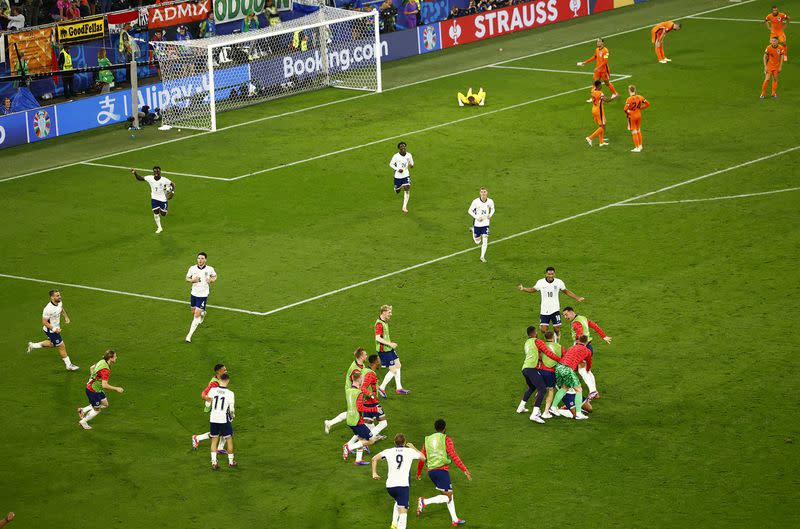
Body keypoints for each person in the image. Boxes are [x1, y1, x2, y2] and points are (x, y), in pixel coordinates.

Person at [416, 419, 470, 526]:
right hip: (441, 471)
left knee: (449, 494)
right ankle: (424, 502)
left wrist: (418, 473)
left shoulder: (427, 440)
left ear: (435, 428)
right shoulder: (446, 439)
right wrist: (464, 469)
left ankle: (455, 520)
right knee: (448, 497)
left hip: (431, 472)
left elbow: (422, 458)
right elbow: (454, 455)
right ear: (445, 428)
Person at [372, 433, 425, 529]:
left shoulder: (388, 451)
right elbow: (423, 458)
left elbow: (374, 459)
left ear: (394, 442)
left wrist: (374, 473)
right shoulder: (409, 452)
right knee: (404, 511)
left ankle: (394, 524)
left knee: (398, 502)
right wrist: (413, 448)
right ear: (405, 442)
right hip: (402, 485)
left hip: (390, 486)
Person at [516, 266, 585, 340]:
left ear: (554, 274)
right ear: (546, 274)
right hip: (544, 310)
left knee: (556, 329)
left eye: (552, 274)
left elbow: (566, 291)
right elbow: (533, 289)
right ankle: (552, 337)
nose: (550, 276)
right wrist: (523, 289)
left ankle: (556, 338)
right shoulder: (540, 282)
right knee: (543, 330)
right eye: (549, 274)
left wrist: (577, 298)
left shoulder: (559, 282)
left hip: (555, 309)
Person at [562, 307, 612, 399]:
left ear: (572, 312)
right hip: (589, 347)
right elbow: (594, 325)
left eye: (566, 314)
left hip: (582, 348)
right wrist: (603, 336)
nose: (565, 317)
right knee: (587, 370)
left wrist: (578, 348)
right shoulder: (582, 318)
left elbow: (580, 335)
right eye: (564, 315)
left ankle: (592, 391)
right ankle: (595, 392)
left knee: (582, 370)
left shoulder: (575, 323)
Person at [26, 289, 79, 371]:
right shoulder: (48, 309)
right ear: (52, 297)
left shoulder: (59, 302)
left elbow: (61, 309)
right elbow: (44, 322)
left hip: (55, 329)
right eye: (57, 296)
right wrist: (54, 329)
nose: (60, 297)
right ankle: (68, 365)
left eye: (59, 295)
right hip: (51, 330)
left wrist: (66, 317)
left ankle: (33, 345)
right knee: (61, 345)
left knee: (53, 344)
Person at [516, 326, 559, 423]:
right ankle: (534, 414)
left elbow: (535, 355)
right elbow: (547, 352)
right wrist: (559, 359)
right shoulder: (537, 341)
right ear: (534, 333)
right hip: (531, 368)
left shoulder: (527, 342)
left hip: (525, 368)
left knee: (531, 387)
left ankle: (521, 407)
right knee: (542, 389)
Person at [324, 347, 367, 434]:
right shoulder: (355, 369)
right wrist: (362, 391)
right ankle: (364, 435)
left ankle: (330, 423)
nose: (367, 355)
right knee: (354, 411)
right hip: (351, 390)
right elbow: (355, 382)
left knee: (354, 411)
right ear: (361, 357)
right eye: (365, 354)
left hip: (354, 389)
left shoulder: (360, 364)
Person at [78, 350, 123, 429]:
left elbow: (91, 368)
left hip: (97, 388)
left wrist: (94, 378)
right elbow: (105, 385)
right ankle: (83, 422)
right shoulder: (106, 370)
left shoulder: (102, 361)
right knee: (97, 410)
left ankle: (83, 410)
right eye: (115, 356)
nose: (116, 358)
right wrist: (116, 389)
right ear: (110, 358)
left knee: (105, 405)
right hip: (92, 391)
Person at [551, 335, 592, 419]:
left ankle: (553, 407)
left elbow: (568, 356)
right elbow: (588, 363)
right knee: (579, 389)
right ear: (586, 342)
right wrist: (587, 370)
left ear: (578, 341)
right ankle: (578, 414)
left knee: (564, 387)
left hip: (559, 367)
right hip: (567, 369)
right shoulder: (587, 351)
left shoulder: (571, 347)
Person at [342, 371, 378, 465]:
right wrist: (374, 409)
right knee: (371, 440)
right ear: (359, 380)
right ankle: (348, 447)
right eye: (362, 379)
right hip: (357, 421)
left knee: (362, 438)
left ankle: (358, 460)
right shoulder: (359, 393)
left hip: (349, 419)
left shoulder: (348, 390)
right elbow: (360, 408)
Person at [375, 304, 410, 396]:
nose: (391, 314)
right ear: (384, 312)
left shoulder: (384, 321)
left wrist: (390, 344)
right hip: (384, 351)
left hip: (388, 349)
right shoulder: (379, 324)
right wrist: (390, 343)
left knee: (398, 365)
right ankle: (381, 388)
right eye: (389, 312)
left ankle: (399, 388)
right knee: (393, 370)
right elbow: (377, 338)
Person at [204, 373, 237, 469]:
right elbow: (231, 410)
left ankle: (214, 463)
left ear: (220, 380)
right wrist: (232, 416)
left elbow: (207, 403)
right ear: (228, 381)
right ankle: (231, 462)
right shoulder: (230, 393)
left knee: (214, 440)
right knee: (229, 440)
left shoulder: (212, 390)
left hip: (213, 418)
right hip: (223, 420)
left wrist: (208, 407)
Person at [192, 363, 228, 450]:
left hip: (221, 407)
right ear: (218, 372)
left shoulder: (221, 379)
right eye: (224, 370)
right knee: (221, 430)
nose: (226, 371)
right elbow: (204, 393)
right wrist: (206, 397)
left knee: (223, 430)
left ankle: (219, 448)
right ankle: (197, 438)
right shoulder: (214, 383)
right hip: (217, 409)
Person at [185, 252, 217, 343]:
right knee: (193, 312)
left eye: (202, 258)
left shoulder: (210, 269)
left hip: (203, 295)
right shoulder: (192, 268)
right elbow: (186, 278)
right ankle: (203, 313)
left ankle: (189, 335)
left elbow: (215, 276)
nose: (200, 260)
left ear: (205, 260)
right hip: (194, 294)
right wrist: (192, 280)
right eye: (199, 258)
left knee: (196, 316)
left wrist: (211, 280)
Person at [131, 166, 175, 234]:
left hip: (163, 199)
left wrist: (172, 192)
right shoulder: (150, 178)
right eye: (155, 171)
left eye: (157, 171)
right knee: (156, 213)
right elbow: (140, 178)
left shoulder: (164, 180)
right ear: (153, 172)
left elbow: (173, 184)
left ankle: (163, 210)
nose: (156, 173)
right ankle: (159, 227)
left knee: (163, 214)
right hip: (154, 198)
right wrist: (135, 173)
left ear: (160, 172)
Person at [361, 354, 389, 439]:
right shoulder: (370, 374)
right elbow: (363, 387)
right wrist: (370, 394)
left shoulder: (365, 370)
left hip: (365, 402)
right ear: (376, 362)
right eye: (379, 359)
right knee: (384, 423)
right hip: (372, 402)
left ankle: (371, 437)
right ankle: (366, 438)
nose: (380, 360)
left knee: (368, 423)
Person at [537, 331, 563, 418]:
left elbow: (539, 356)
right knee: (551, 390)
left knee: (540, 390)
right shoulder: (559, 347)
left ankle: (536, 410)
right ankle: (546, 412)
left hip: (541, 370)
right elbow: (564, 358)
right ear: (553, 337)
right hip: (550, 371)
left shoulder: (542, 345)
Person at [468, 187, 494, 262]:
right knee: (477, 241)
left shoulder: (490, 201)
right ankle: (473, 230)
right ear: (480, 193)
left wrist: (490, 214)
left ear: (487, 193)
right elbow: (469, 210)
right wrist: (476, 217)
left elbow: (493, 209)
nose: (483, 193)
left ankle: (482, 257)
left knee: (485, 239)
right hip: (477, 223)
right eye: (482, 192)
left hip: (486, 223)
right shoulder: (475, 202)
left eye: (484, 192)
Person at [389, 141, 414, 213]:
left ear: (405, 147)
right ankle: (396, 188)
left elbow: (411, 162)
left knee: (407, 187)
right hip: (398, 176)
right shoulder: (395, 156)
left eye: (404, 146)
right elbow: (391, 164)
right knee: (397, 191)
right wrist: (397, 169)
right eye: (401, 147)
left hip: (406, 174)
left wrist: (412, 165)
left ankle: (404, 207)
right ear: (399, 148)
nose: (403, 147)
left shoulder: (409, 155)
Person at [623, 85, 649, 153]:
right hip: (639, 115)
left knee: (634, 132)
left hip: (632, 116)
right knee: (638, 130)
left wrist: (629, 112)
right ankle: (640, 146)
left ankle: (637, 148)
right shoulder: (640, 97)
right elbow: (647, 104)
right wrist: (640, 108)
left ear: (629, 91)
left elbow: (625, 109)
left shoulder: (629, 99)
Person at [584, 80, 610, 146]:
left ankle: (601, 142)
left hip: (594, 109)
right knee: (603, 127)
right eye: (600, 85)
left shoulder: (593, 90)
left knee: (600, 125)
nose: (601, 86)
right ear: (598, 86)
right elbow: (607, 100)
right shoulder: (600, 93)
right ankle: (590, 138)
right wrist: (614, 97)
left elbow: (593, 84)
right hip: (599, 110)